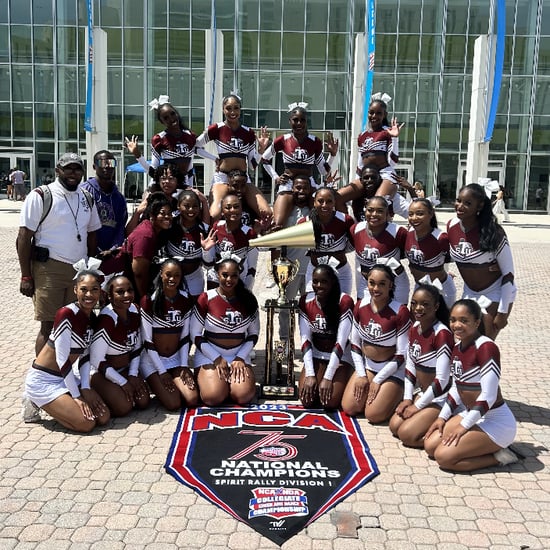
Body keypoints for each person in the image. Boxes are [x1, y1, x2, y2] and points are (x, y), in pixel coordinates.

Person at [17, 153, 101, 355]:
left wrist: (89, 268)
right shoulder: (41, 195)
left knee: (72, 325)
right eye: (68, 168)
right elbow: (23, 237)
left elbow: (92, 234)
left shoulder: (87, 197)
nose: (73, 173)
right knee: (48, 327)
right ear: (58, 170)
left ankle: (65, 373)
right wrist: (26, 276)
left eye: (77, 169)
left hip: (77, 270)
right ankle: (43, 376)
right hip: (49, 269)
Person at [423, 299, 519, 472]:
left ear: (477, 322)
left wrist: (463, 427)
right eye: (453, 320)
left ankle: (499, 457)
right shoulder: (457, 347)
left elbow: (488, 396)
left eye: (464, 320)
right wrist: (442, 418)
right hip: (472, 413)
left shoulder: (487, 347)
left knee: (443, 457)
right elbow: (456, 389)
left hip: (497, 422)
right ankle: (476, 447)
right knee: (430, 446)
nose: (457, 325)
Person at [21, 267, 110, 432]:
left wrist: (85, 387)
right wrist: (77, 397)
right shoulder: (65, 314)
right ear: (75, 289)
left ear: (100, 292)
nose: (89, 295)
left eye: (94, 290)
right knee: (87, 423)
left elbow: (84, 357)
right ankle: (34, 400)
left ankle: (61, 404)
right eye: (83, 289)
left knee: (103, 417)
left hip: (66, 377)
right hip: (44, 381)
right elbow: (62, 360)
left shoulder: (92, 317)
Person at [342, 264, 411, 423]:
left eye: (382, 284)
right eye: (372, 283)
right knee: (350, 408)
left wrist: (378, 380)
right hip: (368, 367)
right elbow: (355, 344)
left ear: (391, 285)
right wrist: (361, 374)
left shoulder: (400, 311)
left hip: (393, 370)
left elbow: (402, 355)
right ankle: (381, 394)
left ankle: (399, 392)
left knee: (373, 415)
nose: (376, 288)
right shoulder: (360, 306)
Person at [447, 183, 516, 339]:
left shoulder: (494, 232)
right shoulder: (451, 226)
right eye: (458, 200)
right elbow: (446, 254)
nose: (460, 206)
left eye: (468, 203)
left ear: (480, 206)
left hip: (493, 293)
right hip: (469, 291)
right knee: (464, 341)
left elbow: (509, 275)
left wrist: (503, 312)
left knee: (483, 342)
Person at [389, 283, 454, 447]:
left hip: (442, 397)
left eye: (425, 304)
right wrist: (407, 399)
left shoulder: (442, 334)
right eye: (414, 303)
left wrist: (417, 405)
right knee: (395, 426)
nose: (418, 308)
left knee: (406, 435)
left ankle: (447, 424)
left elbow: (442, 381)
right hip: (426, 393)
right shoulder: (415, 328)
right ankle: (425, 422)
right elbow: (410, 367)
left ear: (436, 306)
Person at [190, 256, 258, 406]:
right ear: (217, 274)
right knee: (213, 397)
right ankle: (216, 383)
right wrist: (216, 358)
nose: (229, 279)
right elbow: (194, 334)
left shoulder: (248, 299)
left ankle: (229, 385)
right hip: (210, 355)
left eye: (234, 275)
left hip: (238, 355)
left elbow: (253, 334)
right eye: (225, 275)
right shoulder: (206, 298)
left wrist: (240, 358)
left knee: (243, 396)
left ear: (239, 275)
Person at [195, 92, 272, 221]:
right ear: (223, 109)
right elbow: (196, 147)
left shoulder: (248, 132)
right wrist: (214, 159)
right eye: (228, 108)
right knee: (214, 214)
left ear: (240, 109)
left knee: (267, 213)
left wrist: (261, 150)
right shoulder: (216, 129)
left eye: (236, 108)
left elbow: (252, 165)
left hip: (243, 180)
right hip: (222, 178)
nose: (232, 112)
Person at [261, 102, 338, 230]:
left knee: (319, 224)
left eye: (302, 120)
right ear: (289, 121)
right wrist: (276, 178)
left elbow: (323, 170)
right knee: (277, 226)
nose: (299, 124)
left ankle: (318, 248)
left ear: (307, 121)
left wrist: (333, 155)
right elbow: (264, 159)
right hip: (288, 184)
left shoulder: (315, 141)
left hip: (309, 185)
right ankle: (278, 250)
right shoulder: (283, 140)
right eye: (295, 120)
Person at [140, 259, 198, 409]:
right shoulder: (149, 300)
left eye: (177, 275)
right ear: (161, 274)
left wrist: (184, 365)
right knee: (173, 404)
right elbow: (147, 341)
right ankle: (153, 381)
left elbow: (185, 337)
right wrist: (162, 371)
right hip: (153, 361)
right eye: (168, 274)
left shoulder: (185, 299)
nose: (172, 279)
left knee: (191, 399)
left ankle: (169, 381)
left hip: (176, 359)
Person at [89, 275, 150, 417]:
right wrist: (122, 382)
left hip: (125, 369)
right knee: (124, 407)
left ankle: (115, 391)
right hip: (100, 373)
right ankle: (91, 392)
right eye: (120, 292)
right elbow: (96, 360)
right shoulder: (107, 319)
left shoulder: (135, 310)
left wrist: (133, 375)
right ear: (110, 296)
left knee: (143, 401)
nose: (127, 295)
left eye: (130, 290)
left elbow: (136, 348)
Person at [337, 94, 406, 217]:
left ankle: (384, 227)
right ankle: (347, 227)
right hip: (367, 176)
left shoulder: (387, 132)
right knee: (336, 197)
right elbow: (360, 162)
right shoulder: (362, 135)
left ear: (384, 115)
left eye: (378, 113)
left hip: (385, 175)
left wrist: (394, 138)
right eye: (371, 113)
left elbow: (393, 161)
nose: (374, 116)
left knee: (376, 205)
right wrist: (357, 179)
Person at [298, 263, 354, 409]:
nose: (319, 285)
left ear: (333, 282)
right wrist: (310, 374)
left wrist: (328, 377)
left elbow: (340, 343)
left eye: (324, 281)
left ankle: (345, 376)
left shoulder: (345, 302)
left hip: (340, 357)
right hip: (317, 354)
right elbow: (305, 341)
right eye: (315, 281)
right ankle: (318, 376)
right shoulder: (305, 301)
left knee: (329, 402)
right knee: (307, 400)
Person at [125, 96, 215, 187]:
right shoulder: (159, 139)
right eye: (166, 118)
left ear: (177, 113)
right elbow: (153, 171)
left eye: (172, 114)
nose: (171, 119)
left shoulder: (190, 136)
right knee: (146, 200)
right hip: (166, 186)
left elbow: (193, 159)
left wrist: (216, 159)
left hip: (185, 185)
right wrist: (137, 155)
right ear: (162, 122)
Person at [349, 196, 409, 303]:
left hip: (395, 283)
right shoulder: (356, 229)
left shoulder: (398, 232)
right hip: (367, 283)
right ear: (365, 211)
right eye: (370, 210)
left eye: (380, 211)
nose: (374, 214)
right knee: (365, 314)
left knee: (396, 315)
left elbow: (408, 254)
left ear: (387, 213)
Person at [299, 186, 354, 295]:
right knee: (314, 306)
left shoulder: (345, 220)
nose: (325, 205)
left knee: (341, 306)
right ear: (314, 202)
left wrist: (338, 251)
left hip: (341, 272)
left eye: (329, 201)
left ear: (334, 203)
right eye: (320, 201)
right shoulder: (304, 223)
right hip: (315, 272)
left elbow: (353, 244)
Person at [405, 198, 456, 308]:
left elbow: (459, 258)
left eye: (420, 214)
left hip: (442, 289)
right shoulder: (408, 233)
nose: (414, 218)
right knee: (417, 323)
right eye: (410, 214)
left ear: (431, 214)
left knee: (445, 323)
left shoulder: (441, 238)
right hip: (419, 288)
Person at [202, 192, 258, 290]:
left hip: (238, 278)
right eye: (228, 207)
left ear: (242, 210)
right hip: (216, 278)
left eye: (236, 207)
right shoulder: (216, 227)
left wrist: (247, 289)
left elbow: (252, 267)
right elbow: (207, 265)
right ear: (222, 211)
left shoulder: (249, 233)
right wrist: (206, 251)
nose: (232, 210)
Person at [123, 193, 172, 299]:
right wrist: (145, 299)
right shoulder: (146, 235)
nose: (167, 217)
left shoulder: (153, 230)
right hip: (129, 288)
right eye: (162, 213)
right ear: (151, 215)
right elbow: (139, 273)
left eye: (169, 213)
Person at [80, 150, 128, 257]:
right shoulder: (83, 192)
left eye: (110, 163)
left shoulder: (119, 198)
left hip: (110, 255)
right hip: (85, 254)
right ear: (94, 166)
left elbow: (120, 227)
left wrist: (113, 249)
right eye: (102, 163)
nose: (106, 167)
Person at [164, 189, 209, 299]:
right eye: (186, 206)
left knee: (194, 306)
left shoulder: (203, 227)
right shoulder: (171, 224)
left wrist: (204, 201)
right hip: (172, 277)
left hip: (194, 276)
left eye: (195, 206)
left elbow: (207, 218)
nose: (191, 210)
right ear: (178, 206)